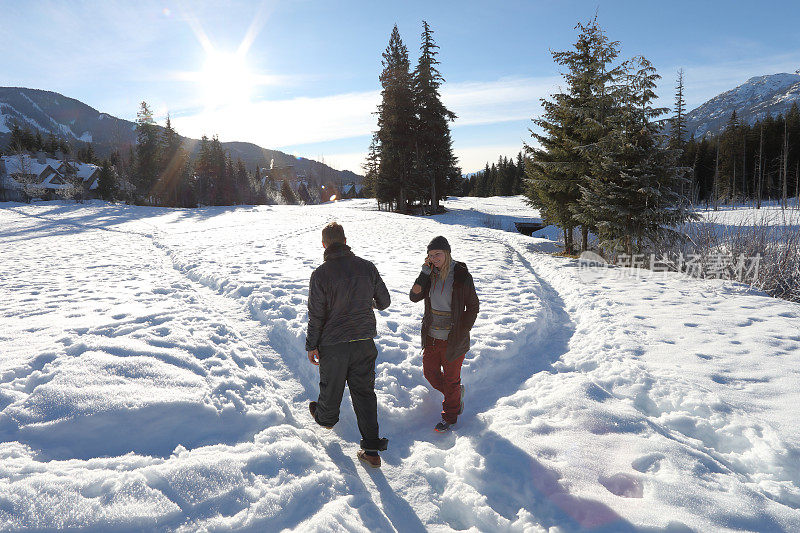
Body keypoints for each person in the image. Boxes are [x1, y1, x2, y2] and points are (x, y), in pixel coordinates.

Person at [306, 222, 391, 467]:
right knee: (364, 393)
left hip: (333, 344)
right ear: (345, 240)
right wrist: (365, 304)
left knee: (331, 387)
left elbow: (316, 315)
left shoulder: (320, 275)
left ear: (324, 244)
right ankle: (372, 451)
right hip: (364, 342)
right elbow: (383, 301)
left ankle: (325, 420)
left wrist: (312, 345)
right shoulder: (367, 267)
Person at [410, 236, 479, 432]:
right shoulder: (430, 274)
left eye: (437, 254)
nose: (434, 258)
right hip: (432, 337)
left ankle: (450, 417)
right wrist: (423, 273)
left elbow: (473, 306)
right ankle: (455, 394)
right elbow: (414, 296)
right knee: (430, 373)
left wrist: (463, 329)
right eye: (430, 255)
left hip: (453, 338)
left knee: (450, 379)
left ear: (447, 253)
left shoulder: (461, 275)